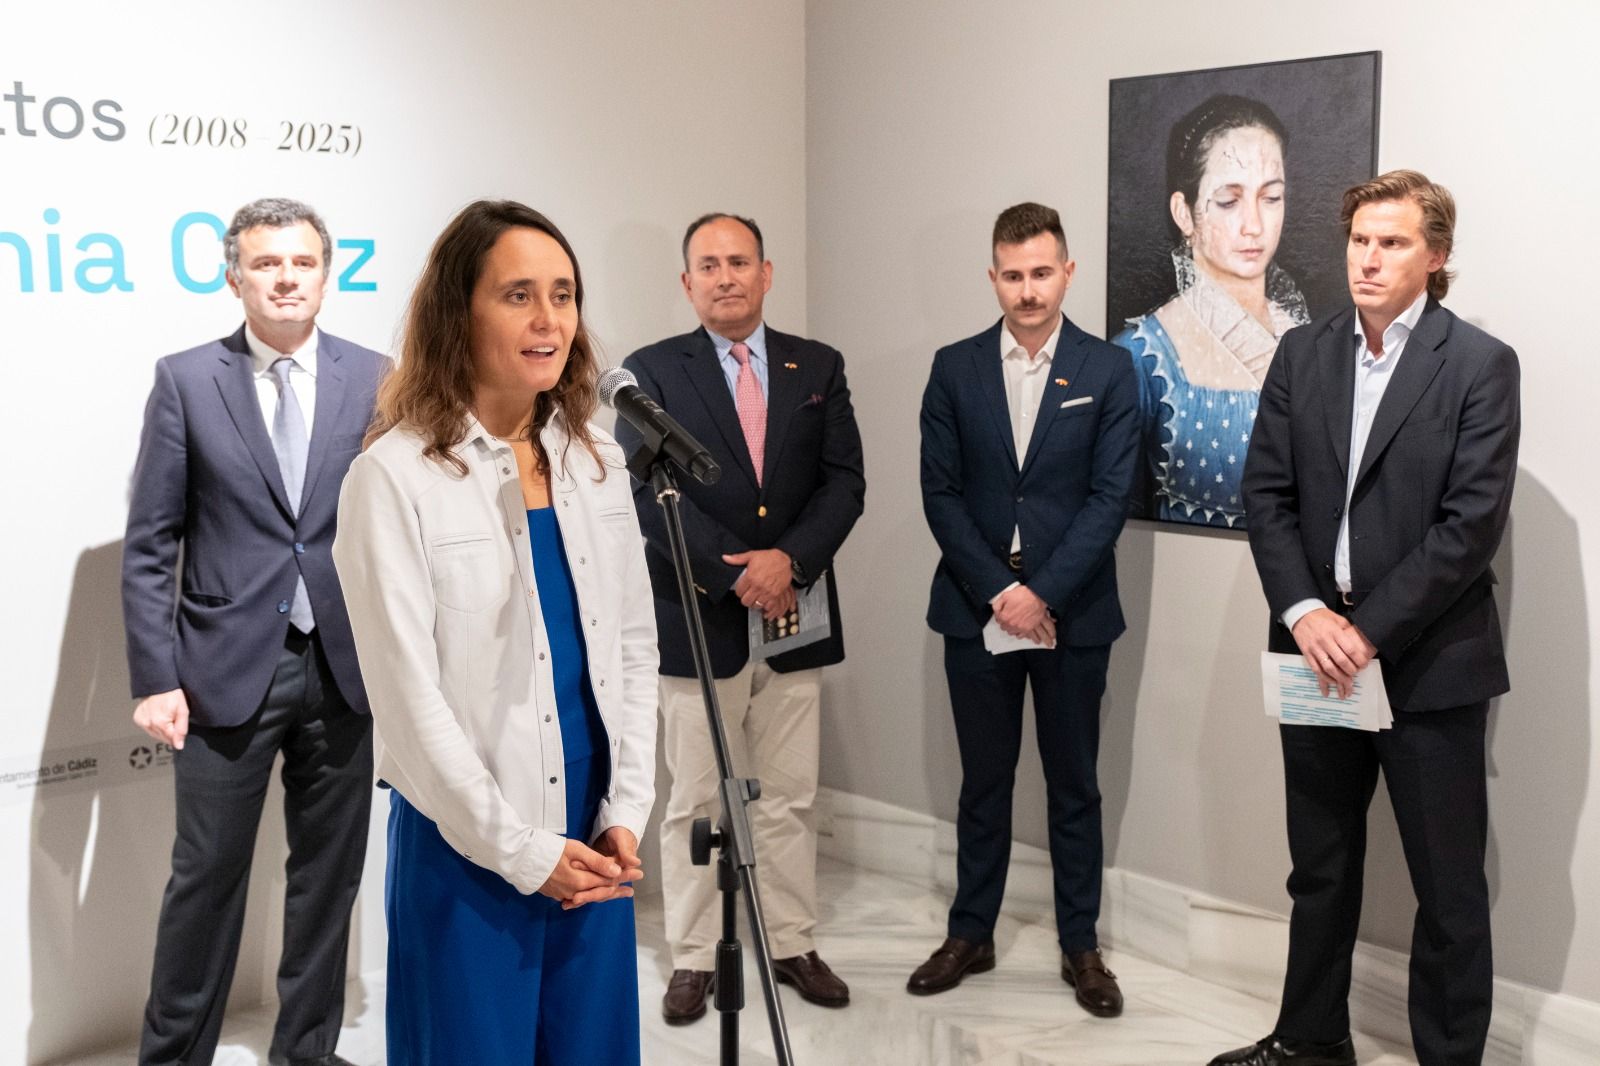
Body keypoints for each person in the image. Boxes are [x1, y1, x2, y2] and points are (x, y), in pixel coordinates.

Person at [331, 200, 658, 1064]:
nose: (549, 318)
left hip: (594, 846)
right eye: (518, 294)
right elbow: (407, 703)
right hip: (468, 847)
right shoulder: (392, 478)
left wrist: (628, 809)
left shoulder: (599, 458)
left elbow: (632, 647)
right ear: (458, 313)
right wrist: (518, 850)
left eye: (564, 293)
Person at [1218, 171, 1520, 1066]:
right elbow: (1264, 497)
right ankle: (1311, 1042)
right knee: (1320, 870)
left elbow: (1469, 527)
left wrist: (1366, 628)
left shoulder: (1478, 365)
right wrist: (1309, 612)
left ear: (1437, 256)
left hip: (1427, 664)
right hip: (1313, 654)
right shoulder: (1302, 355)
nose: (1369, 257)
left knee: (1448, 889)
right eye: (1358, 240)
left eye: (1391, 242)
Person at [121, 198, 387, 1066]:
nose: (285, 278)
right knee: (204, 883)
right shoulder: (187, 379)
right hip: (222, 672)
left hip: (343, 670)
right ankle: (174, 1057)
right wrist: (155, 676)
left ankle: (305, 1050)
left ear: (326, 272)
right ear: (234, 276)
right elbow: (153, 543)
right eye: (266, 263)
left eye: (301, 262)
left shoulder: (377, 378)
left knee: (327, 881)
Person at [615, 212, 866, 1023]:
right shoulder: (647, 373)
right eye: (708, 265)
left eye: (738, 262)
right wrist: (737, 574)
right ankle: (694, 956)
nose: (725, 276)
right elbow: (645, 501)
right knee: (694, 799)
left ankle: (791, 940)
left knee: (790, 796)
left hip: (796, 614)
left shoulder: (816, 365)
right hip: (698, 618)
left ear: (767, 273)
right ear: (687, 284)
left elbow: (844, 483)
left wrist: (788, 562)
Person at [910, 203, 1140, 1016]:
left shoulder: (1110, 371)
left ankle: (1081, 945)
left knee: (1074, 784)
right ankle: (970, 931)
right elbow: (939, 493)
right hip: (978, 610)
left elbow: (1111, 499)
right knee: (984, 782)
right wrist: (1002, 593)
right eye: (1013, 274)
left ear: (1067, 272)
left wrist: (1042, 593)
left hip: (1073, 616)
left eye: (1042, 272)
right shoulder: (955, 366)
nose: (1028, 289)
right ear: (993, 277)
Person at [1112, 94, 1310, 527]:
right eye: (1228, 201)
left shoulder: (1310, 339)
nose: (1253, 224)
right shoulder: (1143, 356)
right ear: (1185, 212)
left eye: (1271, 197)